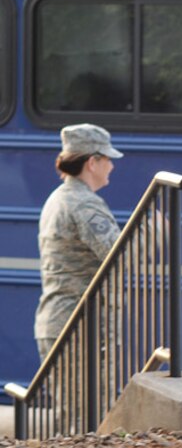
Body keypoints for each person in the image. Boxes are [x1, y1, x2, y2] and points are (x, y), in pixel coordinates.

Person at [34, 124, 123, 363]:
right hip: (79, 328)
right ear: (92, 162)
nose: (111, 166)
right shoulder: (83, 203)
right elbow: (118, 255)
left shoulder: (59, 197)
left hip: (63, 323)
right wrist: (151, 230)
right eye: (107, 159)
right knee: (87, 390)